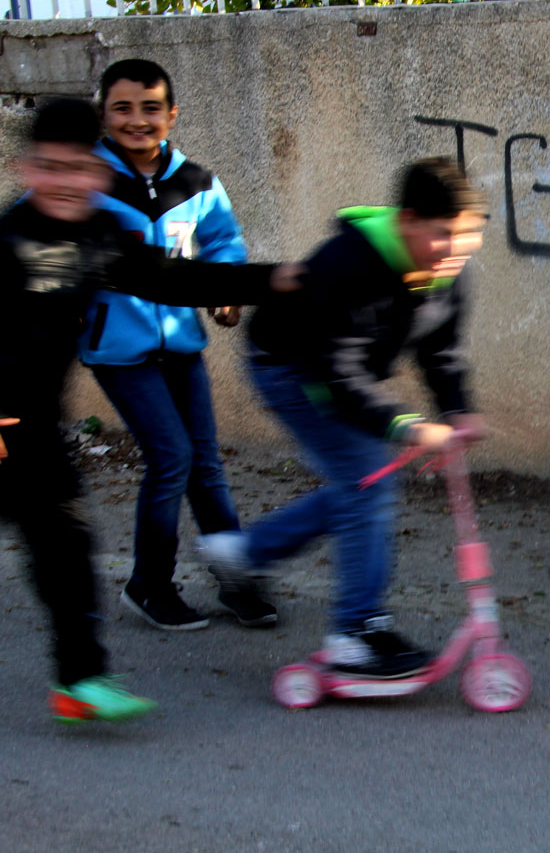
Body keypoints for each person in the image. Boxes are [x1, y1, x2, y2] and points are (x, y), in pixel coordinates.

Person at [0, 97, 300, 722]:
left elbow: (177, 282)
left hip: (31, 430)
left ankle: (79, 682)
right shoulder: (10, 245)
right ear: (27, 170)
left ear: (97, 174)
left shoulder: (99, 237)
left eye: (77, 168)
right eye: (50, 168)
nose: (64, 182)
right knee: (60, 537)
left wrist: (275, 280)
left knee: (66, 543)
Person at [203, 158, 488, 679]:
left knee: (364, 483)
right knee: (366, 481)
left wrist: (458, 409)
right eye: (442, 235)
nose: (454, 251)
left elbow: (442, 351)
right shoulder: (349, 266)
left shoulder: (447, 268)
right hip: (291, 366)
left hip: (339, 371)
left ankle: (244, 555)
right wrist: (403, 424)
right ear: (406, 222)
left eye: (466, 238)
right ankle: (354, 634)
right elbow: (336, 376)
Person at [83, 58, 274, 631]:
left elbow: (223, 243)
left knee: (205, 465)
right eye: (122, 108)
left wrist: (226, 291)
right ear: (103, 115)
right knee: (172, 458)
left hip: (181, 345)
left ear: (171, 115)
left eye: (150, 108)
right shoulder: (86, 182)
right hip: (118, 350)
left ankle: (234, 579)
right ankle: (149, 585)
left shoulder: (197, 182)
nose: (137, 120)